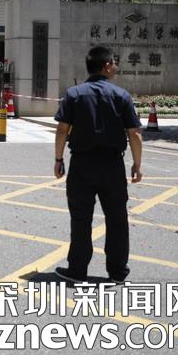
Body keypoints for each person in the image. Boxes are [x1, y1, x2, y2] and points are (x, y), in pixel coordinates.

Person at [53, 45, 142, 285]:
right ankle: (117, 272)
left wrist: (59, 159)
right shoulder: (121, 95)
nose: (116, 66)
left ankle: (77, 270)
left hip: (81, 164)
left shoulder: (73, 94)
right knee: (117, 218)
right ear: (107, 66)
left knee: (81, 218)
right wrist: (137, 164)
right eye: (114, 62)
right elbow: (134, 133)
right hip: (112, 165)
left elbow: (62, 130)